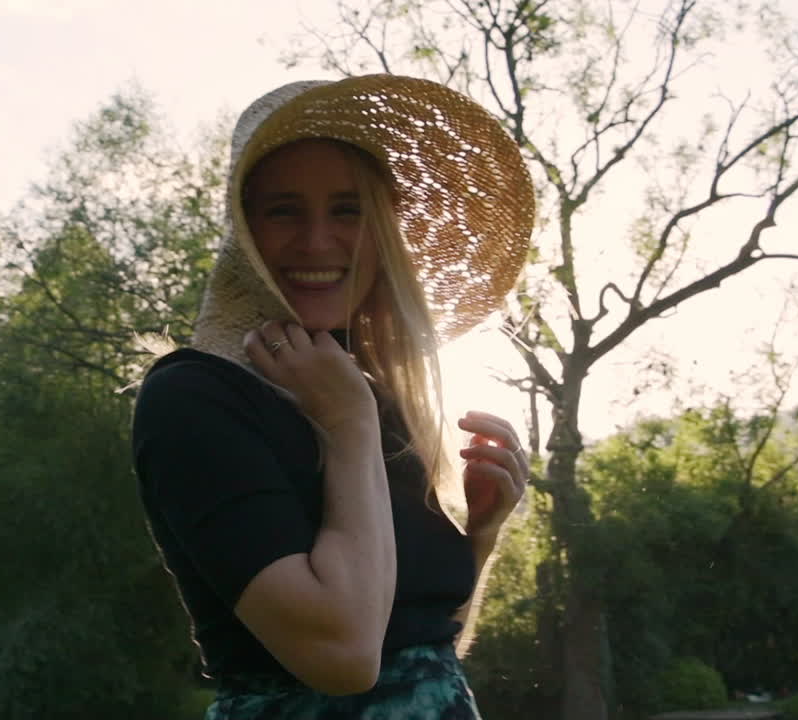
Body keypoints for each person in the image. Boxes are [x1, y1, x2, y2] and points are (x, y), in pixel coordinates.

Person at [132, 74, 535, 719]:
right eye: (284, 210)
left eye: (348, 210)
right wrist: (349, 426)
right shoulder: (195, 399)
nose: (318, 242)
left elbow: (425, 643)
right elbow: (346, 657)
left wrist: (479, 536)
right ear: (244, 231)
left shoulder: (372, 395)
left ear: (383, 231)